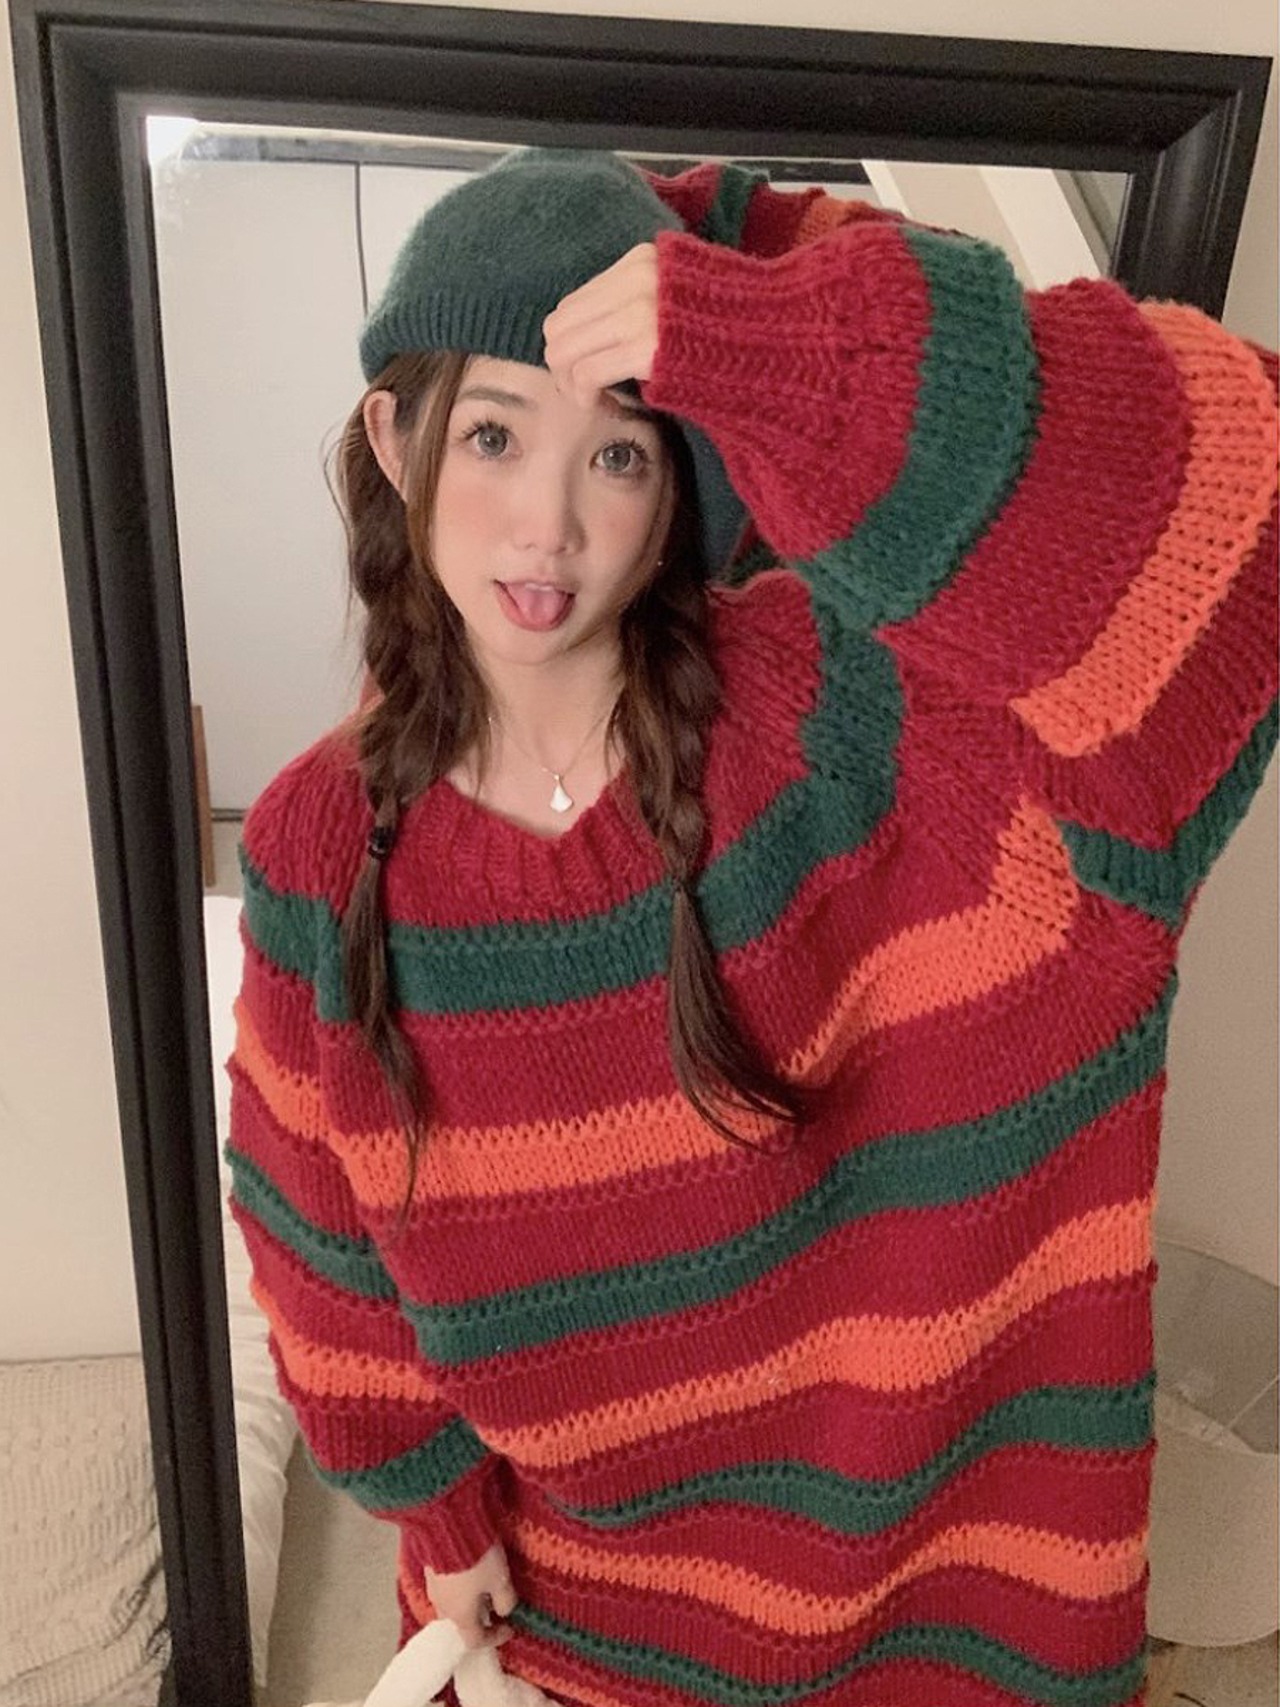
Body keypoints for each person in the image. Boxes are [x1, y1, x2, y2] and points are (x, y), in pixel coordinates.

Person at [225, 146, 1279, 1707]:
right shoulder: (321, 842)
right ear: (394, 437)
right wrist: (429, 1501)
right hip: (557, 1623)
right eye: (494, 435)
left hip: (930, 1620)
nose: (546, 528)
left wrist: (769, 297)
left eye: (619, 452)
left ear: (683, 483)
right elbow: (312, 1225)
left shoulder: (851, 717)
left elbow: (1243, 499)